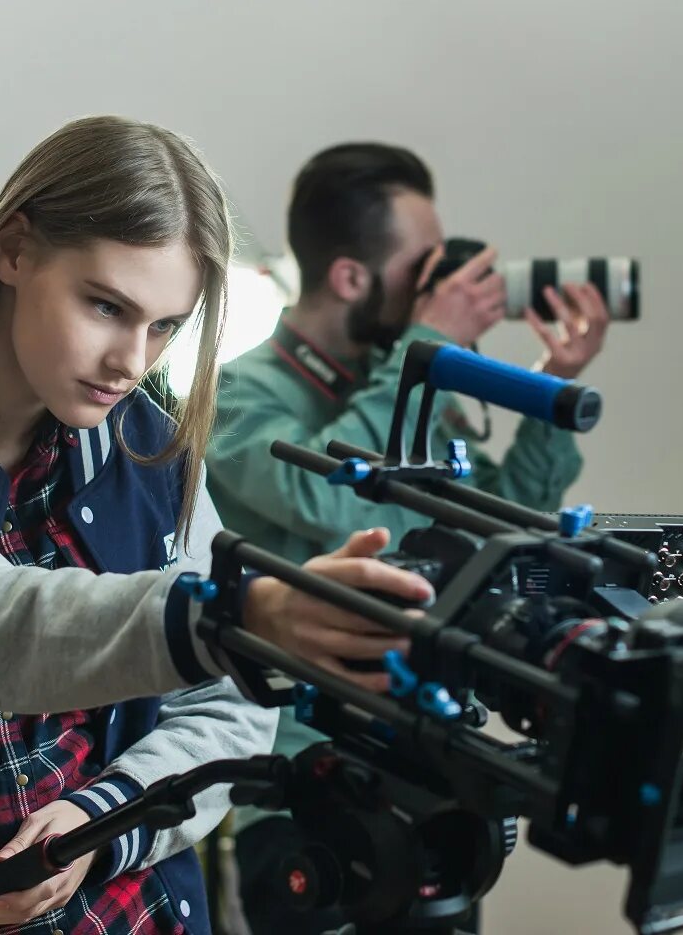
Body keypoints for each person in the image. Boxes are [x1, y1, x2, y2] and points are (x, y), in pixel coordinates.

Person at [0, 117, 432, 935]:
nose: (131, 361)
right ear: (14, 250)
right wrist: (230, 617)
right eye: (106, 306)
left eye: (166, 326)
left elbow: (229, 709)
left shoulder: (146, 439)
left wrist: (105, 825)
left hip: (122, 901)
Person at [206, 142, 610, 933]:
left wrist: (551, 386)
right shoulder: (240, 395)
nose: (444, 283)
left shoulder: (405, 388)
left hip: (427, 772)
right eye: (423, 266)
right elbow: (338, 502)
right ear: (352, 278)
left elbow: (499, 522)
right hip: (300, 784)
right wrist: (430, 349)